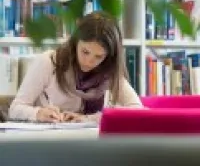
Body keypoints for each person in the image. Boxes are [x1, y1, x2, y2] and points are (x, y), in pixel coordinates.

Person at [8, 11, 143, 123]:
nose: (89, 62)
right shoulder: (48, 62)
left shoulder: (107, 71)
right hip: (47, 142)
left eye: (99, 56)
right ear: (75, 42)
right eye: (85, 52)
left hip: (87, 142)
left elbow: (137, 109)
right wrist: (38, 113)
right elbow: (15, 109)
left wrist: (89, 119)